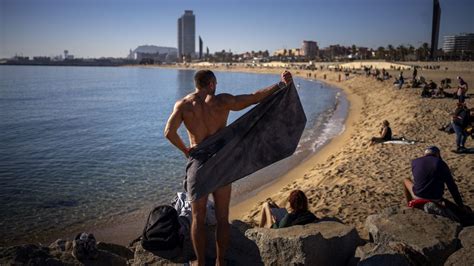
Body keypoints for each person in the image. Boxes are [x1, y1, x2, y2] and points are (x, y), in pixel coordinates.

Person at [164, 69, 293, 266]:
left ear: (196, 84)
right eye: (215, 83)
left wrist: (185, 150)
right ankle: (220, 261)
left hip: (199, 165)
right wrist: (280, 85)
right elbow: (253, 98)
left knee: (197, 218)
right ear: (211, 84)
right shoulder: (222, 101)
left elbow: (169, 132)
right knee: (223, 218)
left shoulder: (183, 105)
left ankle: (200, 263)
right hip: (223, 164)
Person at [403, 146, 470, 216]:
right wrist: (460, 205)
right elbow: (452, 187)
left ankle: (409, 204)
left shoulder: (415, 161)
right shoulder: (441, 163)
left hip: (418, 195)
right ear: (437, 154)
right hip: (436, 198)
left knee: (405, 180)